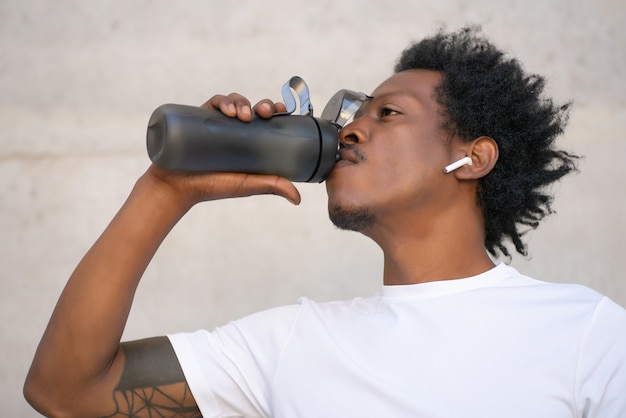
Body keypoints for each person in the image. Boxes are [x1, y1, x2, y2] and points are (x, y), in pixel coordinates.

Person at [24, 27, 626, 418]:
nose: (350, 131)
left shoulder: (585, 334)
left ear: (473, 158)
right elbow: (64, 391)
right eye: (350, 115)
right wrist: (165, 189)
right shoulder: (290, 345)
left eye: (387, 113)